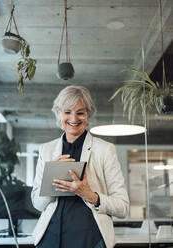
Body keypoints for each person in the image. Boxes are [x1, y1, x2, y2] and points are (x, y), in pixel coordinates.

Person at [31, 85, 129, 248]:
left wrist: (90, 195)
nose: (74, 119)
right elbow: (38, 204)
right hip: (50, 239)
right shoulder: (46, 150)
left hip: (89, 239)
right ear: (58, 113)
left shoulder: (105, 150)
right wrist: (51, 179)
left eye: (80, 112)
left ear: (88, 114)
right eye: (67, 112)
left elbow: (122, 206)